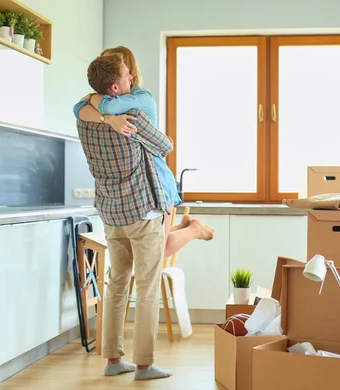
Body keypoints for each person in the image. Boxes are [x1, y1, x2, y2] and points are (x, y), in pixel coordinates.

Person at [75, 52, 174, 380]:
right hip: (143, 213)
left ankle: (113, 359)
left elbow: (81, 106)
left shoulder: (85, 118)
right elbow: (165, 145)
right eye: (127, 76)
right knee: (147, 287)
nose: (132, 79)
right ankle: (144, 364)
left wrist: (99, 109)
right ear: (116, 87)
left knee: (116, 284)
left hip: (111, 213)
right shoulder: (134, 115)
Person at [73, 46, 214, 258]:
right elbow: (78, 109)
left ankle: (194, 229)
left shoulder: (139, 98)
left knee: (160, 249)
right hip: (141, 184)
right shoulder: (111, 101)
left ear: (124, 70)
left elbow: (98, 106)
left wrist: (94, 99)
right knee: (149, 244)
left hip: (157, 182)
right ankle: (186, 225)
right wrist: (107, 118)